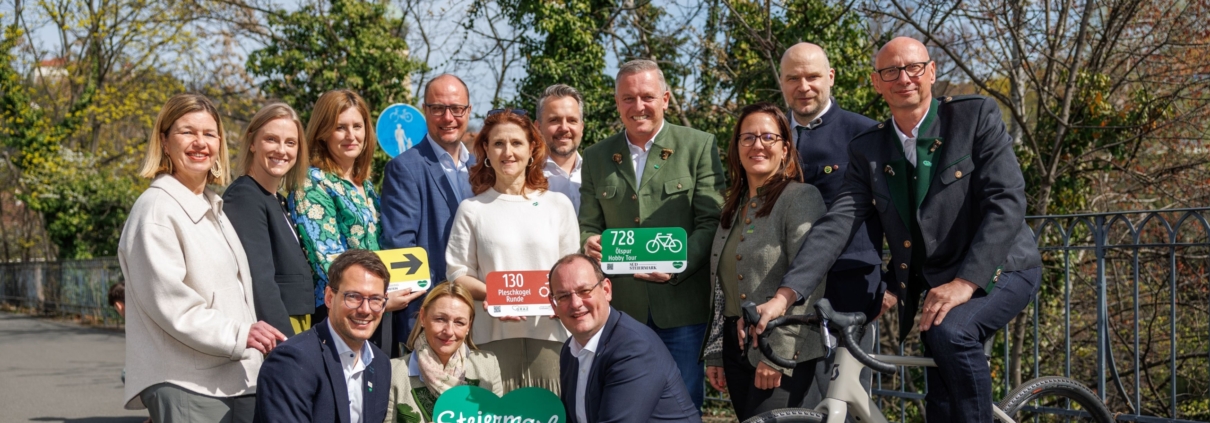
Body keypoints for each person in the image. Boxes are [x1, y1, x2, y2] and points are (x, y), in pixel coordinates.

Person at [767, 37, 1043, 422]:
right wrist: (784, 295)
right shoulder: (869, 148)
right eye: (890, 72)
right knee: (941, 386)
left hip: (1004, 267)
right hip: (937, 284)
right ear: (876, 83)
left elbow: (1008, 201)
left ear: (931, 71)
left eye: (913, 68)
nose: (904, 79)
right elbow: (838, 223)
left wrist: (965, 283)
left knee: (951, 334)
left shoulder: (973, 116)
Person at [118, 93, 285, 421]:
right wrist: (240, 334)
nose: (200, 143)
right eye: (187, 132)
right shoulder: (155, 210)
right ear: (165, 142)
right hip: (187, 383)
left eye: (209, 134)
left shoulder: (213, 206)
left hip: (235, 380)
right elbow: (173, 305)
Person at [578, 59, 725, 409]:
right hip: (621, 312)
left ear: (665, 99)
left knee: (681, 406)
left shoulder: (698, 146)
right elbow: (589, 223)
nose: (638, 106)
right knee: (624, 407)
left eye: (646, 96)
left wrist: (678, 264)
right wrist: (589, 241)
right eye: (628, 98)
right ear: (617, 103)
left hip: (682, 311)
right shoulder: (596, 157)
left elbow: (712, 221)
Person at [701, 102, 828, 419]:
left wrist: (777, 356)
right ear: (737, 148)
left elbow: (810, 279)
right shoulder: (733, 206)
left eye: (768, 137)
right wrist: (716, 352)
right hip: (735, 348)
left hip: (783, 348)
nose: (757, 145)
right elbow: (722, 287)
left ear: (785, 148)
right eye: (748, 138)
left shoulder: (801, 197)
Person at [778, 42, 884, 406]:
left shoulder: (867, 133)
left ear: (831, 78)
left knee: (847, 403)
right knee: (795, 404)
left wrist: (897, 288)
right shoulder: (766, 136)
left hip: (851, 288)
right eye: (793, 78)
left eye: (812, 76)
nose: (803, 86)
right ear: (781, 82)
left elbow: (897, 217)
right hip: (783, 291)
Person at [445, 110, 578, 393]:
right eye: (498, 144)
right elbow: (458, 274)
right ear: (486, 151)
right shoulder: (472, 210)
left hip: (551, 336)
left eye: (516, 143)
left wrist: (561, 298)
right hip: (491, 339)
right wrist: (495, 296)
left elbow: (572, 272)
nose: (508, 152)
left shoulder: (559, 205)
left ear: (532, 149)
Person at [291, 90, 424, 354]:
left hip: (374, 312)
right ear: (322, 132)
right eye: (340, 128)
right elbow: (329, 261)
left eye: (357, 126)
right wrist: (380, 300)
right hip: (341, 318)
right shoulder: (312, 183)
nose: (351, 136)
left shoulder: (366, 186)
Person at [380, 74, 476, 351]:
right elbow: (401, 247)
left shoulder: (482, 167)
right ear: (425, 111)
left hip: (478, 318)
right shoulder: (405, 168)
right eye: (438, 108)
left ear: (468, 111)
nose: (448, 117)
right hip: (433, 321)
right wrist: (437, 312)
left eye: (456, 108)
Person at [548, 254, 701, 423]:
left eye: (584, 291)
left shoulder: (634, 348)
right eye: (563, 296)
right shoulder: (570, 349)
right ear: (553, 304)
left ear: (606, 290)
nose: (575, 303)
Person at [254, 249, 393, 423]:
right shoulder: (291, 361)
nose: (365, 309)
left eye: (375, 299)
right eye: (353, 297)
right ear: (328, 297)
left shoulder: (380, 364)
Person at [224, 103, 316, 336]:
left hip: (298, 320)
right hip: (277, 327)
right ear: (252, 142)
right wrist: (286, 345)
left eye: (290, 143)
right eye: (272, 139)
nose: (282, 150)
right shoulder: (245, 196)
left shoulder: (278, 199)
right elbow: (259, 279)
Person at [385, 282, 503, 423]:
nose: (449, 331)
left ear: (468, 326)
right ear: (423, 317)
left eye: (459, 322)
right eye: (440, 319)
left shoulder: (488, 365)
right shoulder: (393, 371)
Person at [537, 84, 585, 212]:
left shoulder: (599, 173)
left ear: (581, 127)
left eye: (571, 120)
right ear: (538, 127)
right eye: (554, 120)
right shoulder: (524, 177)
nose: (564, 128)